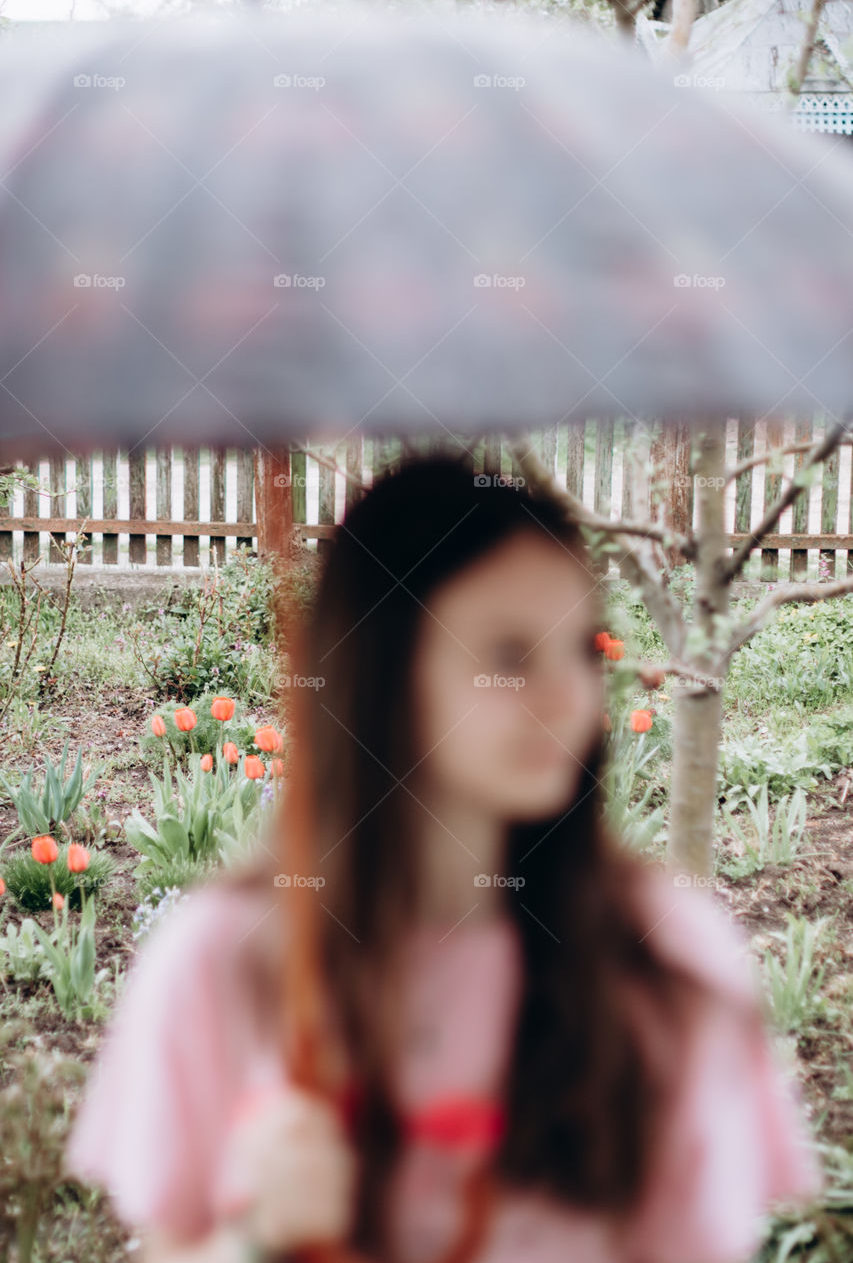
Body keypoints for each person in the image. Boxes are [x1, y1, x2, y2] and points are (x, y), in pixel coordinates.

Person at [64, 452, 824, 1263]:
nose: (569, 696)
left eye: (580, 649)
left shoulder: (659, 955)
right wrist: (250, 1239)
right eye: (509, 656)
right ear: (383, 669)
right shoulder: (226, 959)